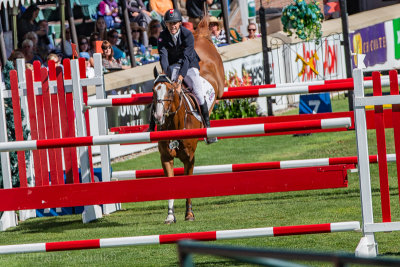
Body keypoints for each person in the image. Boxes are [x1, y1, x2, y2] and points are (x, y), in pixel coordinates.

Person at [151, 9, 215, 143]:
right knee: (162, 91)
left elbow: (186, 58)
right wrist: (165, 73)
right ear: (166, 24)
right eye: (169, 23)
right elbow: (163, 56)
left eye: (175, 23)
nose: (172, 26)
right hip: (173, 65)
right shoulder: (162, 36)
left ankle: (208, 130)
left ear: (180, 23)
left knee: (198, 92)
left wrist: (179, 80)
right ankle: (152, 127)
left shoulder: (187, 34)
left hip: (189, 65)